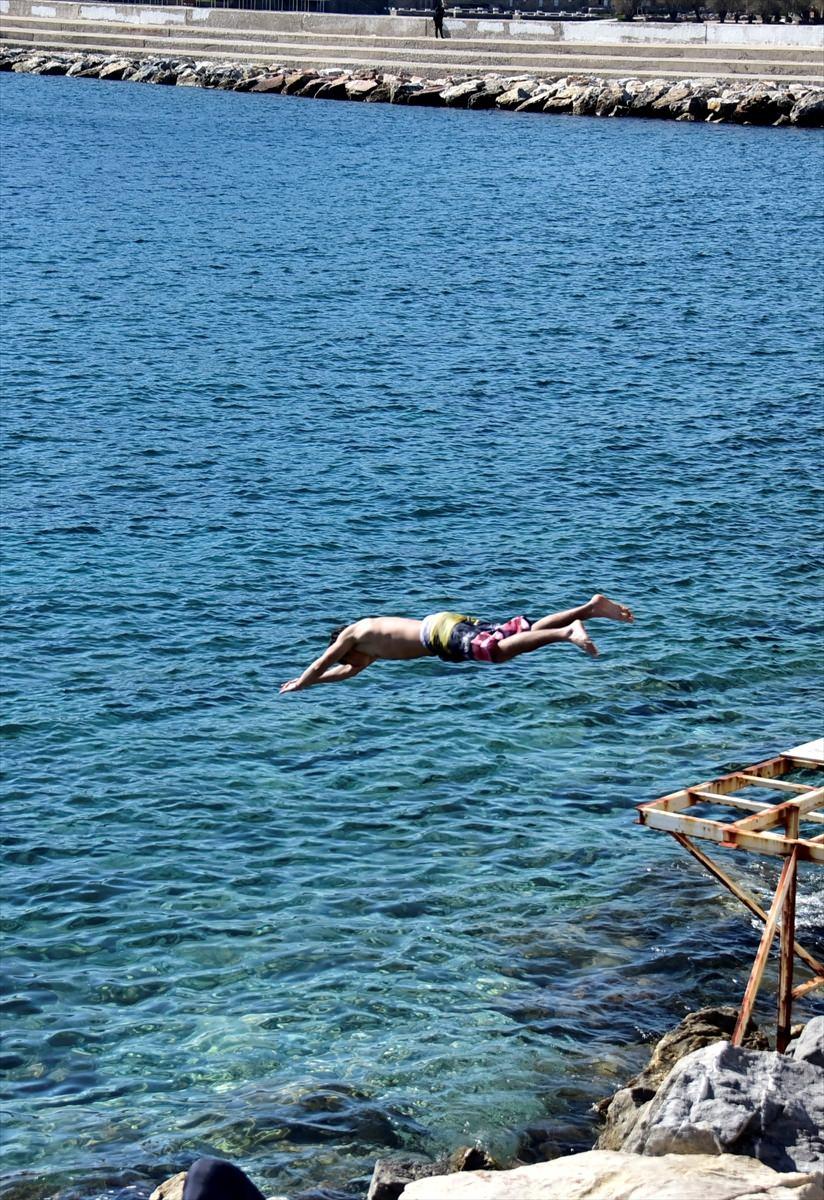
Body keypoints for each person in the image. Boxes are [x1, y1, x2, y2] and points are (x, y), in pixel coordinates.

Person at [279, 594, 633, 693]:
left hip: (438, 635)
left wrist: (301, 683)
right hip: (444, 626)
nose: (351, 660)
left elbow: (322, 663)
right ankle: (590, 609)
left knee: (495, 653)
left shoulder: (353, 635)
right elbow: (343, 673)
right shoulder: (367, 651)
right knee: (516, 634)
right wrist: (314, 684)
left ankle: (567, 632)